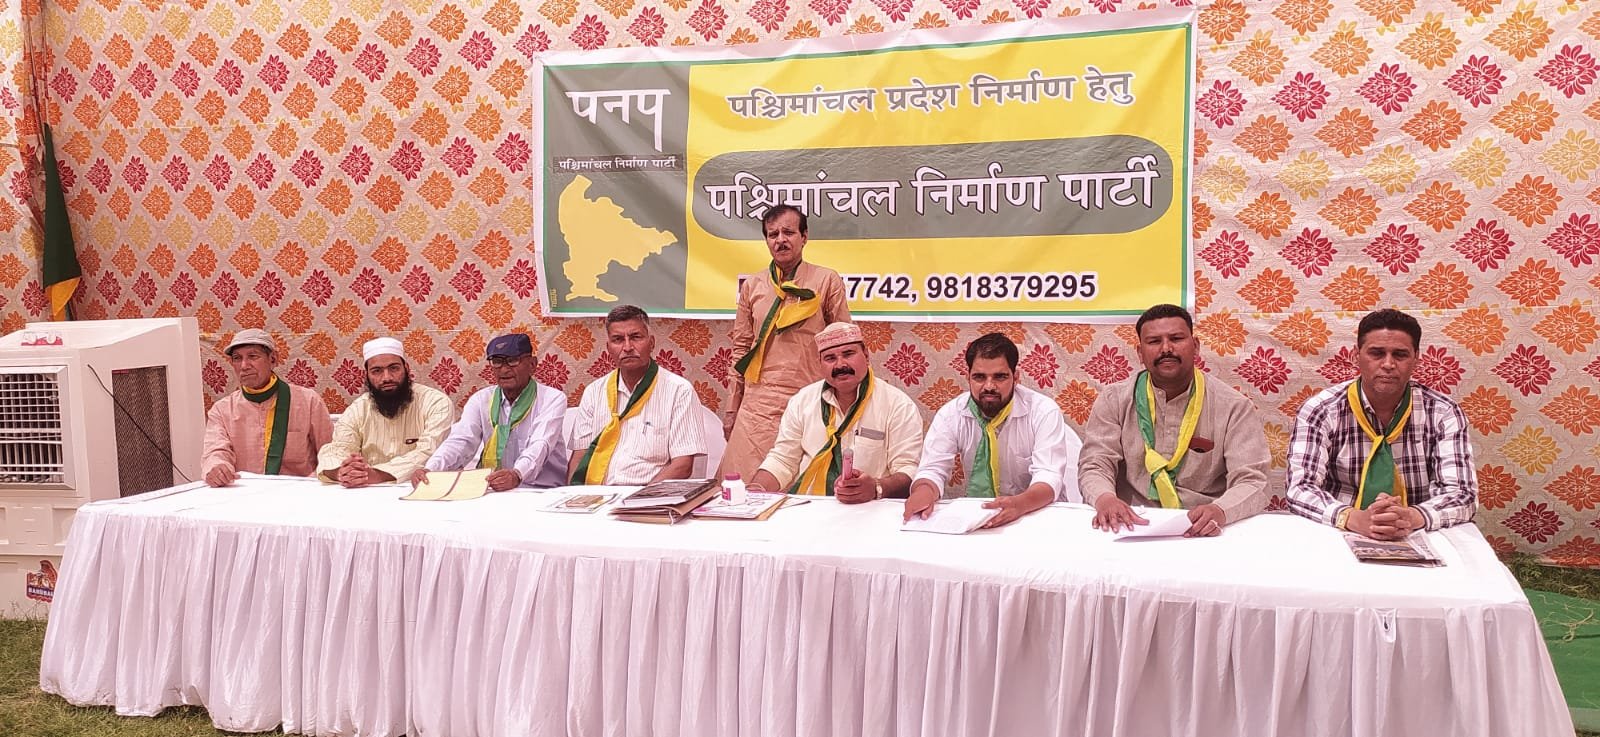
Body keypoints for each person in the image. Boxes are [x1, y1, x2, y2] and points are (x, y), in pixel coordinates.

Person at [1079, 304, 1270, 537]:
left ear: (1195, 346)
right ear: (1140, 353)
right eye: (1154, 341)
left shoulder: (1233, 407)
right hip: (1130, 522)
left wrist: (1220, 510)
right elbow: (1095, 464)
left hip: (1203, 527)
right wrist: (1105, 499)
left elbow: (1253, 481)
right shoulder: (1114, 400)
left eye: (1176, 338)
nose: (1166, 349)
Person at [1287, 308, 1478, 539]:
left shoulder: (1443, 412)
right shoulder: (1320, 410)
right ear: (1356, 355)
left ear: (1416, 359)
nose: (1388, 364)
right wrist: (1353, 518)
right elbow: (1300, 488)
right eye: (1376, 353)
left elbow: (1462, 493)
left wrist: (1410, 517)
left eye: (1400, 355)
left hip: (1417, 530)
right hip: (1338, 529)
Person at [720, 204, 851, 479]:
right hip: (758, 405)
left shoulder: (826, 280)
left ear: (804, 237)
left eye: (788, 232)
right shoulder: (753, 285)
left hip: (809, 399)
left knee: (802, 485)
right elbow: (741, 349)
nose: (780, 240)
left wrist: (847, 402)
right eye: (773, 234)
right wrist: (732, 408)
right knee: (744, 486)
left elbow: (843, 343)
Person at [904, 332, 1081, 528]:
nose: (989, 386)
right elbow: (932, 469)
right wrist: (923, 492)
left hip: (1038, 515)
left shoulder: (1043, 411)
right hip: (982, 517)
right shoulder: (951, 414)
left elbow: (1049, 476)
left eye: (1000, 377)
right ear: (968, 377)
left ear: (1016, 377)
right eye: (979, 377)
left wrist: (1019, 504)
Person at [748, 322, 923, 502]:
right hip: (811, 507)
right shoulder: (802, 401)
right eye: (830, 358)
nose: (840, 365)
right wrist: (754, 491)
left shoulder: (898, 405)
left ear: (866, 356)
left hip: (871, 508)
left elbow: (908, 469)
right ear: (820, 364)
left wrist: (876, 488)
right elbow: (783, 460)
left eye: (848, 354)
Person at [568, 306, 707, 485]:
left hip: (650, 495)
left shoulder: (679, 391)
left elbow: (682, 466)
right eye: (618, 339)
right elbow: (579, 457)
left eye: (635, 337)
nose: (627, 347)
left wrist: (642, 497)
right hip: (598, 494)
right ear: (608, 348)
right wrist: (574, 496)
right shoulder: (593, 392)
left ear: (652, 343)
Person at [412, 333, 567, 491]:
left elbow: (540, 444)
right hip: (493, 488)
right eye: (497, 362)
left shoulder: (552, 398)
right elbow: (460, 440)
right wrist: (431, 469)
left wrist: (517, 474)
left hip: (541, 490)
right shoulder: (481, 399)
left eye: (513, 360)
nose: (504, 369)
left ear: (532, 364)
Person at [201, 328, 334, 485]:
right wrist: (217, 468)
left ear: (273, 359)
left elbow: (331, 453)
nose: (244, 366)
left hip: (299, 491)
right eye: (237, 358)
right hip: (245, 493)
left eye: (253, 356)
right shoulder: (222, 410)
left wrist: (310, 483)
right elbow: (215, 452)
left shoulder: (308, 401)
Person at [316, 337, 453, 488]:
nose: (387, 378)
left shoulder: (436, 403)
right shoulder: (358, 409)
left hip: (422, 488)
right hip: (368, 491)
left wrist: (375, 475)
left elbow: (430, 453)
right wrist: (342, 472)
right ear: (367, 375)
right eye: (377, 371)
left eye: (394, 368)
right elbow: (337, 449)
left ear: (406, 368)